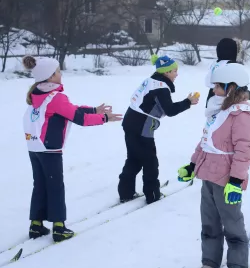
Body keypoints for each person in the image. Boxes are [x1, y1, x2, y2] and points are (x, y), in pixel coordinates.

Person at [22, 56, 122, 242]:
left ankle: (36, 225)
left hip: (34, 146)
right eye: (57, 71)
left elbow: (70, 110)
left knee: (40, 185)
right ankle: (59, 227)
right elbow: (79, 118)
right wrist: (105, 118)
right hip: (49, 148)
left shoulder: (38, 93)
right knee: (55, 186)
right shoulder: (56, 96)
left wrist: (93, 109)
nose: (60, 74)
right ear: (50, 77)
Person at [178, 63, 250, 268]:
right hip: (208, 175)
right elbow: (206, 141)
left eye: (217, 87)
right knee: (209, 222)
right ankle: (210, 261)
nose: (214, 91)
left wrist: (235, 180)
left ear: (231, 87)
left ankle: (237, 265)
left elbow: (244, 150)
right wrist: (192, 166)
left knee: (232, 223)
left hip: (227, 177)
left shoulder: (242, 114)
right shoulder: (220, 111)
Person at [118, 55, 199, 205]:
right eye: (174, 71)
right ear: (166, 72)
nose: (177, 74)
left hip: (130, 122)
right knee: (150, 161)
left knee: (134, 158)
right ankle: (153, 194)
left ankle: (126, 192)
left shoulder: (152, 80)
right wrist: (188, 102)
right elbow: (170, 110)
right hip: (141, 127)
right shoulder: (161, 88)